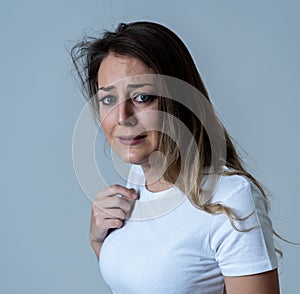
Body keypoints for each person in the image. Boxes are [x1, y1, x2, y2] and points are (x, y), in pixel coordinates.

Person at [71, 21, 280, 293]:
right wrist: (98, 240)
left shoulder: (231, 198)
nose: (122, 117)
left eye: (142, 97)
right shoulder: (138, 179)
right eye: (108, 100)